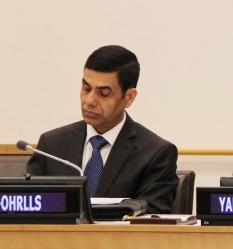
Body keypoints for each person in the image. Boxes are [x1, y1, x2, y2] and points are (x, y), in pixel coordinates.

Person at [27, 45, 179, 214]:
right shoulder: (52, 145)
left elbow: (151, 223)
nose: (89, 100)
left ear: (129, 97)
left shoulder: (155, 154)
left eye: (103, 94)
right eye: (86, 89)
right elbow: (31, 208)